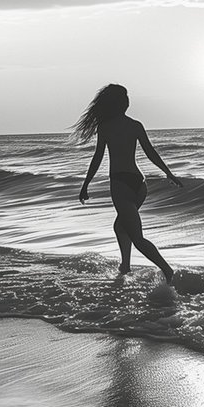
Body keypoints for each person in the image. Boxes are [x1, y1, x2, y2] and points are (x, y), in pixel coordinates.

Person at [74, 83, 183, 281]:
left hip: (120, 184)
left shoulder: (105, 127)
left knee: (136, 237)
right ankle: (125, 267)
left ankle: (167, 270)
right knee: (120, 226)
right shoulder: (135, 125)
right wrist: (168, 173)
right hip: (140, 184)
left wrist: (85, 184)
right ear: (123, 104)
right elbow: (151, 153)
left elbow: (98, 157)